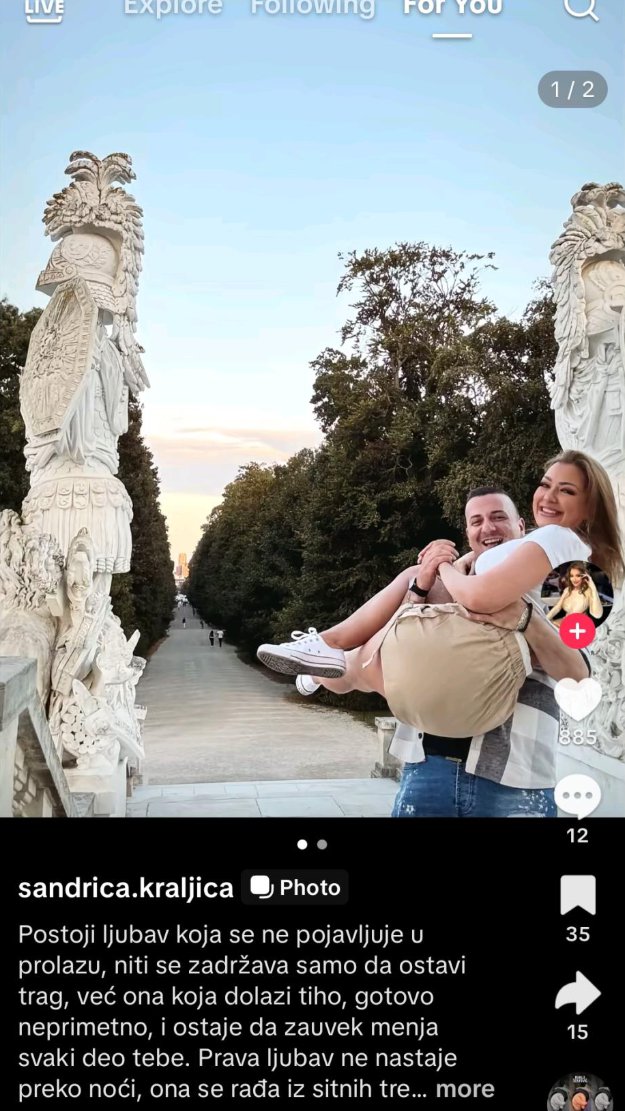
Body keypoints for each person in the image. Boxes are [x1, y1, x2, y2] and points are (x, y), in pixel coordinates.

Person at [257, 450, 624, 741]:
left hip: (492, 722)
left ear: (520, 525)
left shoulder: (556, 540)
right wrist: (436, 576)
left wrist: (443, 567)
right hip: (449, 713)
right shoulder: (565, 558)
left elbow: (574, 665)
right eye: (545, 485)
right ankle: (318, 666)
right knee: (362, 657)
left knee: (364, 655)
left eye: (567, 491)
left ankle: (326, 647)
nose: (549, 496)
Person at [545, 561, 604, 627]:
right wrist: (545, 619)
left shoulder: (588, 591)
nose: (574, 579)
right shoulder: (567, 590)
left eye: (578, 575)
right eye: (571, 576)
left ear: (584, 576)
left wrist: (593, 587)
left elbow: (597, 615)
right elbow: (557, 607)